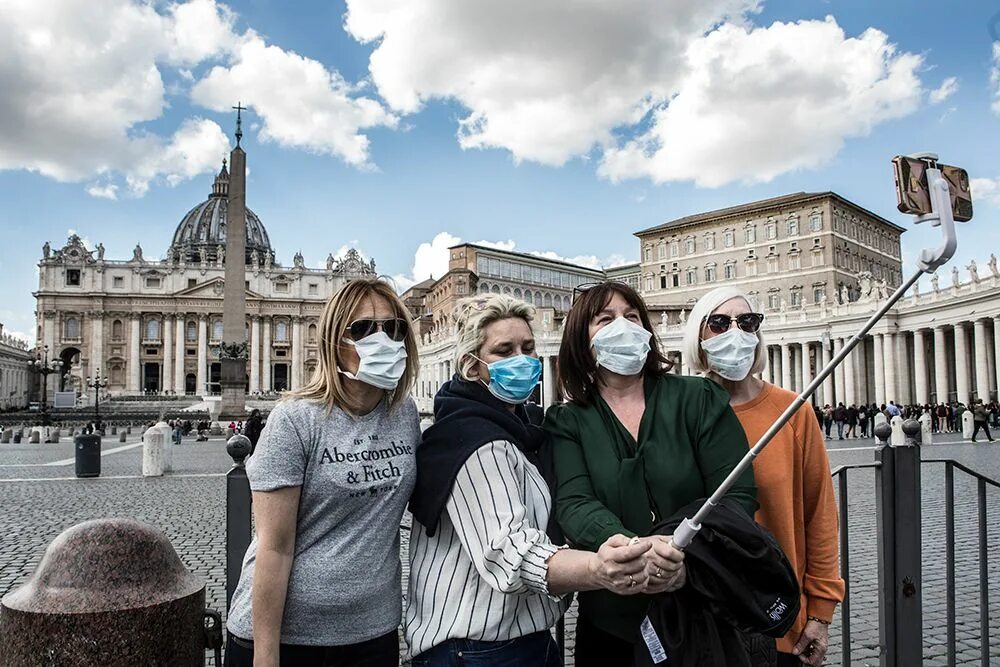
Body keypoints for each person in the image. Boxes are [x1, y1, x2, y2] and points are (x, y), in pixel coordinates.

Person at [405, 295, 658, 666]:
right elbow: (511, 552)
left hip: (518, 640)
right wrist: (598, 569)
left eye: (527, 347)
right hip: (476, 648)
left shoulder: (522, 428)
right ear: (472, 367)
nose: (520, 359)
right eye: (503, 351)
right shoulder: (475, 443)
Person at [544, 281, 757, 666]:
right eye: (605, 319)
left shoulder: (699, 398)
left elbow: (736, 494)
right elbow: (574, 502)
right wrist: (631, 551)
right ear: (581, 338)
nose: (622, 326)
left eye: (632, 316)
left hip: (702, 610)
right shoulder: (567, 420)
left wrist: (684, 560)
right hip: (610, 622)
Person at [225, 279, 420, 667]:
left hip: (373, 631)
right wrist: (266, 655)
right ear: (334, 342)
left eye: (393, 328)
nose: (383, 339)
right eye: (363, 329)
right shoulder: (295, 420)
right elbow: (274, 549)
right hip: (291, 638)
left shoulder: (405, 414)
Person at [683, 286, 844, 667]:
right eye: (719, 323)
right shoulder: (678, 409)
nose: (735, 332)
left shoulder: (793, 410)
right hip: (698, 619)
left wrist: (820, 613)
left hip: (778, 616)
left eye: (748, 322)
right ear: (699, 336)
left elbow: (819, 515)